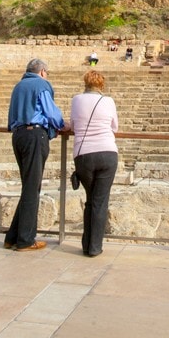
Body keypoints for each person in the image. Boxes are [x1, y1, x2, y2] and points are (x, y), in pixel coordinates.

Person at [4, 58, 66, 251]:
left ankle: (12, 237)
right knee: (32, 188)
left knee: (28, 186)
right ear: (42, 72)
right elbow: (51, 112)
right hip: (34, 136)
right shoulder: (41, 85)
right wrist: (62, 125)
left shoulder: (18, 86)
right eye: (47, 72)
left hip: (19, 136)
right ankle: (26, 240)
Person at [68, 70, 119, 257]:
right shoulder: (108, 101)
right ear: (101, 85)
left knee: (91, 200)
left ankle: (87, 244)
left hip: (84, 155)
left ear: (85, 83)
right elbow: (115, 127)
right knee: (100, 201)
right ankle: (94, 247)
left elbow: (73, 126)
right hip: (107, 153)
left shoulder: (76, 100)